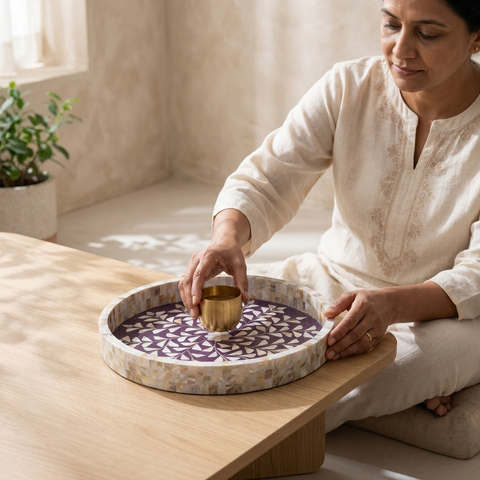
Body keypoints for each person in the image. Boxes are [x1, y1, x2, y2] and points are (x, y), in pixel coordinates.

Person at [179, 0, 480, 432]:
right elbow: (267, 178)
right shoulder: (348, 86)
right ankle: (396, 392)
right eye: (391, 25)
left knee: (437, 356)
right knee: (203, 308)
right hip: (331, 283)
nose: (400, 50)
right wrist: (226, 239)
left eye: (428, 34)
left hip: (443, 316)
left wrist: (393, 306)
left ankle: (243, 431)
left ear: (477, 36)